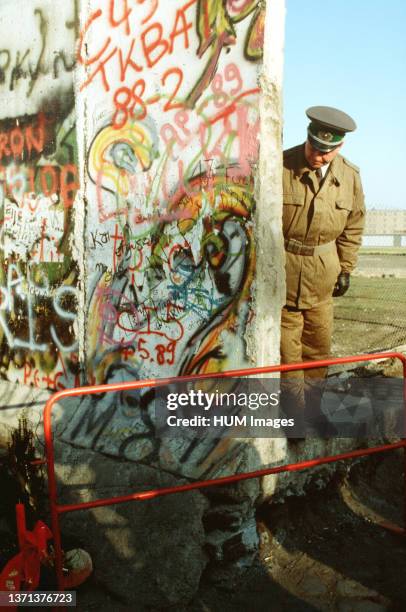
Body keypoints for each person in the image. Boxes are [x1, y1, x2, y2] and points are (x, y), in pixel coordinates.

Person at [281, 106, 366, 433]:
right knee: (288, 356)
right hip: (285, 273)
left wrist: (346, 267)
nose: (317, 155)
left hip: (323, 276)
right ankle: (293, 420)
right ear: (307, 138)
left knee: (318, 350)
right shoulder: (282, 165)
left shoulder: (350, 176)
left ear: (339, 147)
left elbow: (354, 226)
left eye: (326, 151)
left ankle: (313, 413)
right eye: (313, 147)